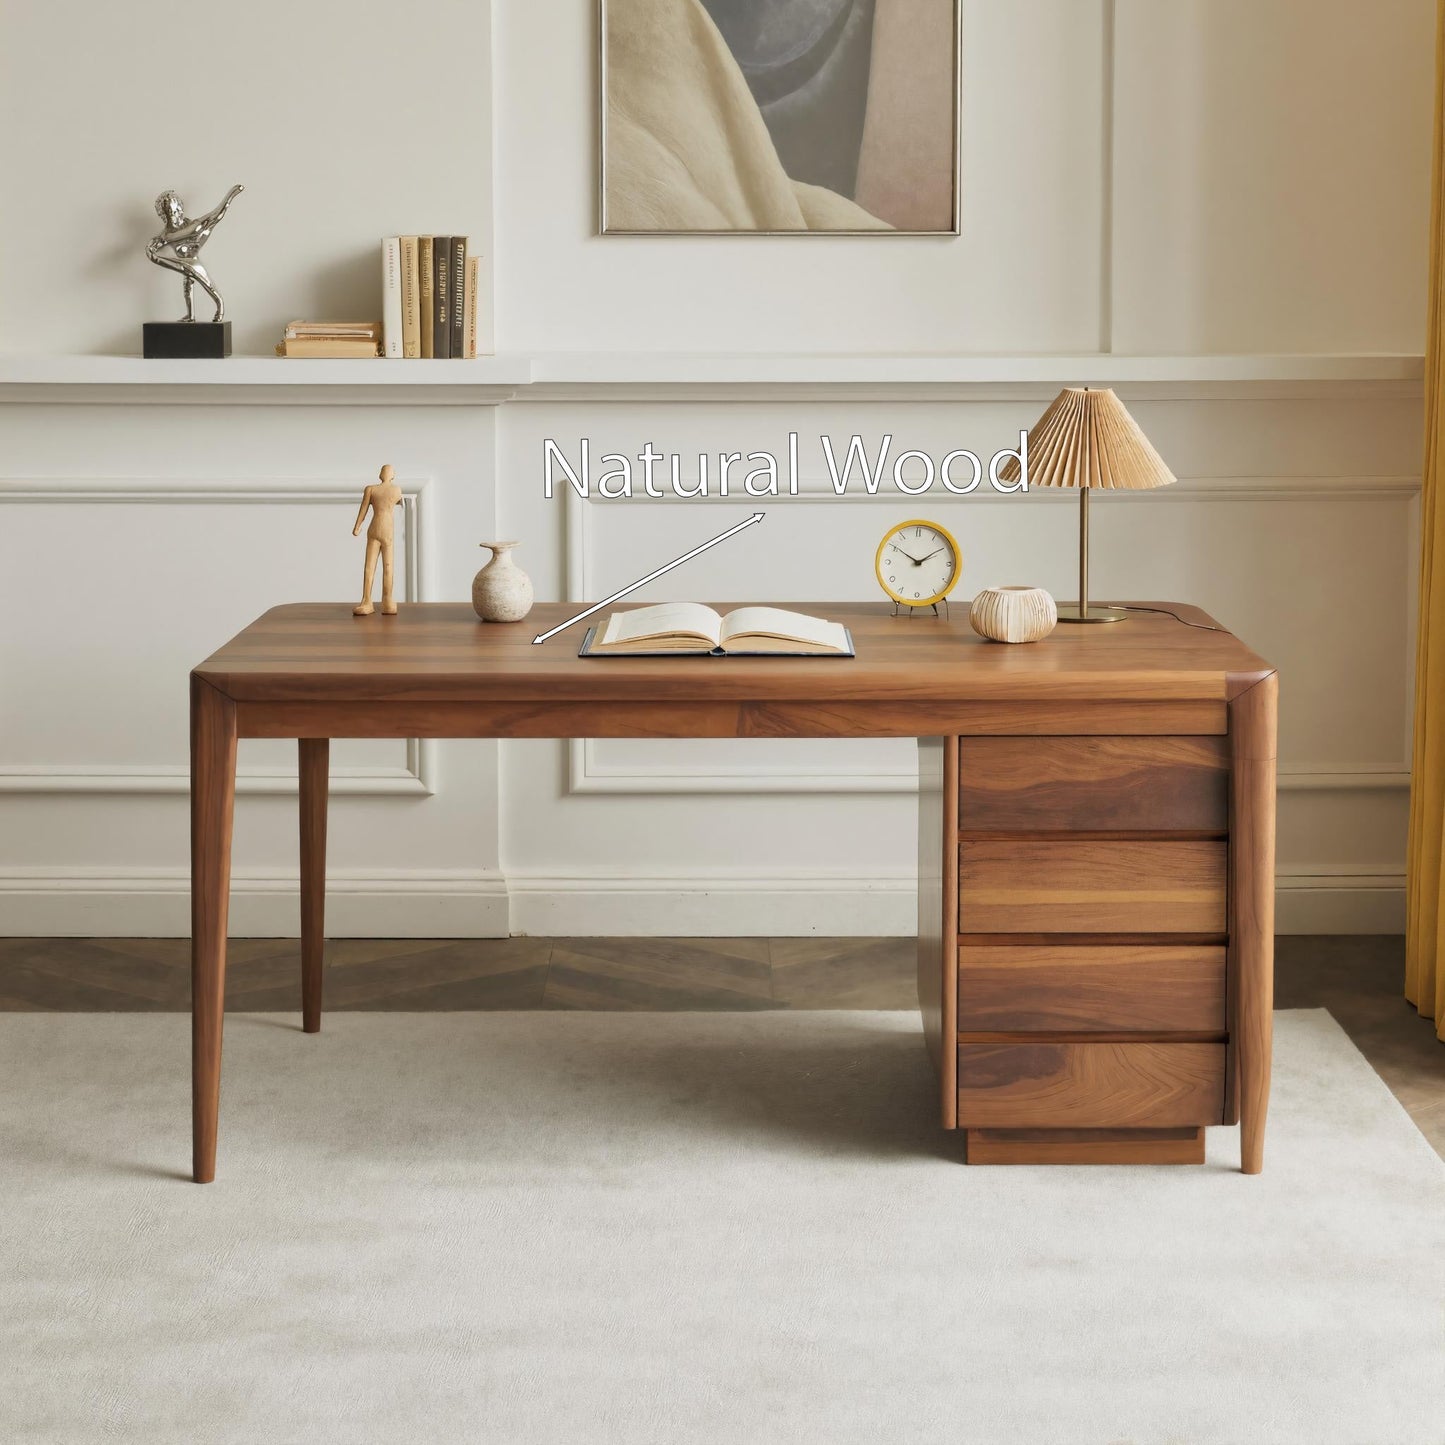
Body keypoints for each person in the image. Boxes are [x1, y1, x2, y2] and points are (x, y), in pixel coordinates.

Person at [145, 185, 244, 322]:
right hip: (181, 263)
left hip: (193, 262)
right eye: (168, 213)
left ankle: (220, 307)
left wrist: (230, 196)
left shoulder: (190, 226)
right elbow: (158, 245)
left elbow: (213, 216)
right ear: (163, 214)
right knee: (187, 287)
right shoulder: (166, 233)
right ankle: (190, 316)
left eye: (174, 211)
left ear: (179, 209)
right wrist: (151, 247)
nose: (173, 215)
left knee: (208, 285)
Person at [352, 465, 403, 616]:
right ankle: (387, 602)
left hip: (374, 528)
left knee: (370, 566)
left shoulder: (371, 489)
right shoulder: (396, 490)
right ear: (393, 475)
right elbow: (401, 502)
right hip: (387, 530)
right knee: (388, 566)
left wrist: (357, 527)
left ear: (381, 474)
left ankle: (367, 601)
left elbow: (364, 509)